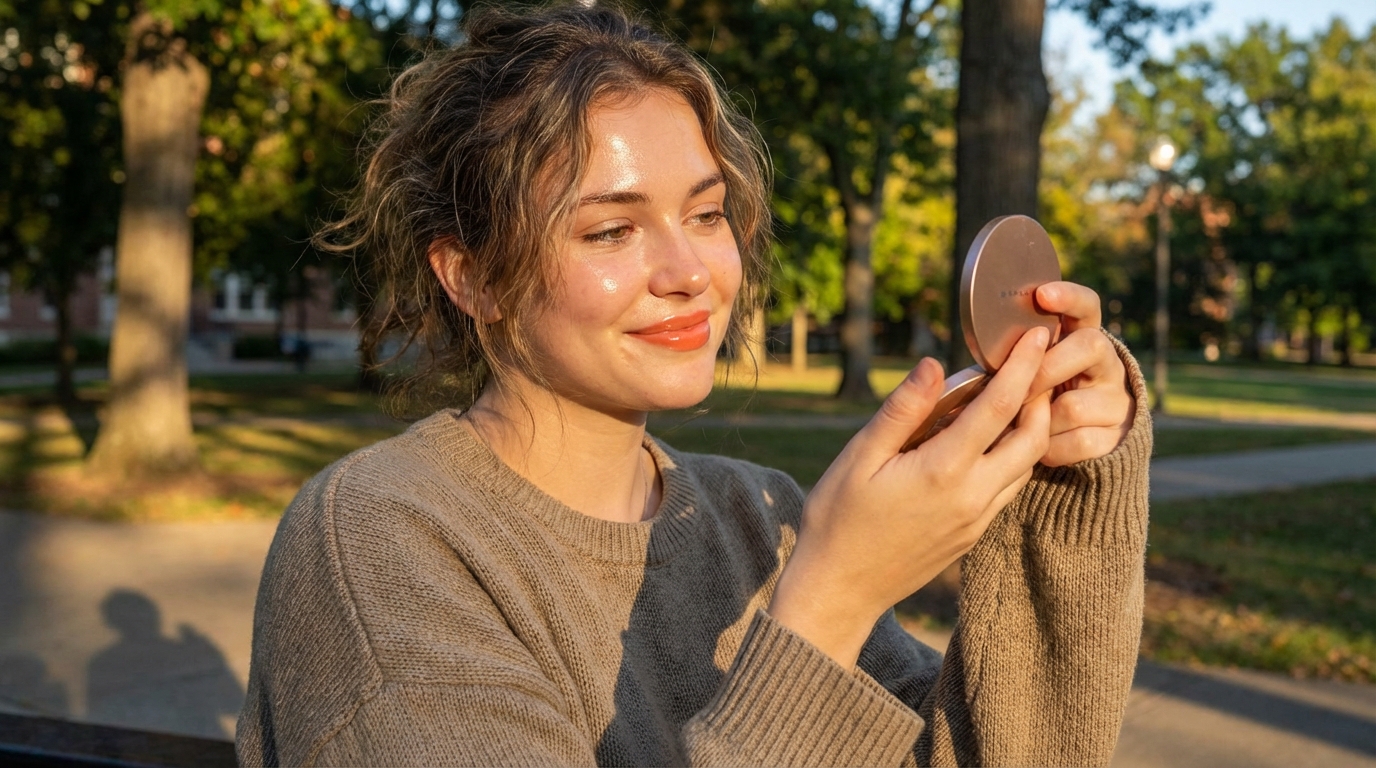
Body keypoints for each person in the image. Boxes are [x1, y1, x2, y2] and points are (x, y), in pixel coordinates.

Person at [236, 4, 1151, 766]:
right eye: (610, 231)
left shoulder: (756, 515)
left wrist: (1069, 487)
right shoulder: (378, 540)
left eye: (706, 214)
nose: (689, 271)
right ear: (469, 275)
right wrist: (826, 603)